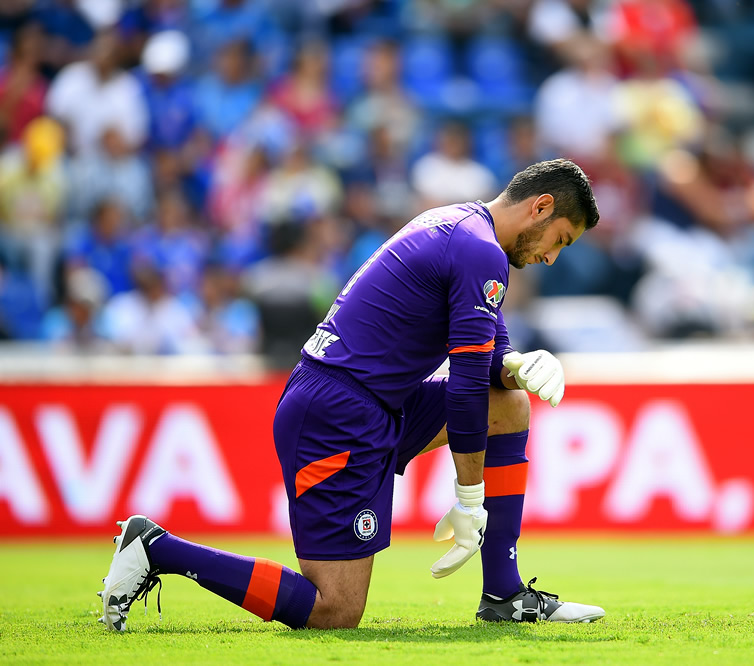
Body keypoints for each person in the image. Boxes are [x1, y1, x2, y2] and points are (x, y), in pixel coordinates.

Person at [98, 159, 605, 631]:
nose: (552, 257)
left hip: (372, 401)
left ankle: (504, 596)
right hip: (336, 414)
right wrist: (470, 500)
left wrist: (520, 366)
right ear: (539, 206)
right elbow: (468, 382)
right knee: (335, 609)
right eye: (559, 239)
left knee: (509, 404)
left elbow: (490, 365)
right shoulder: (479, 250)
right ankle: (157, 547)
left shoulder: (465, 230)